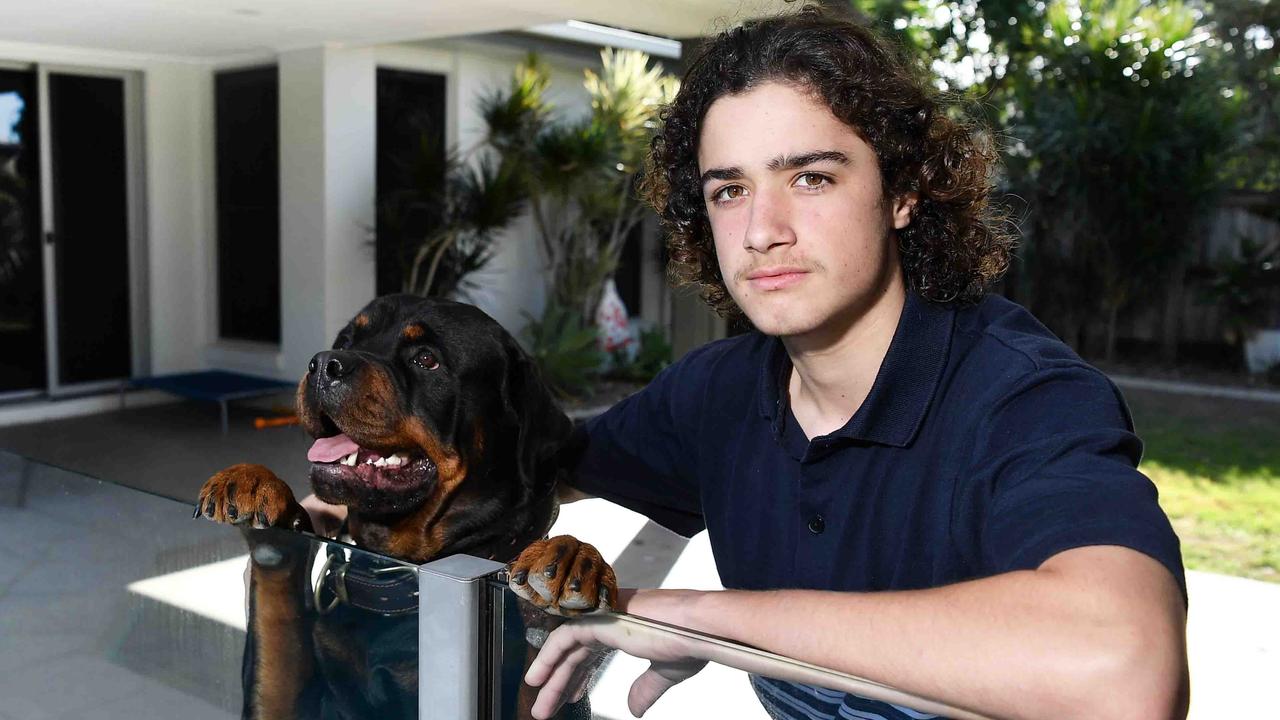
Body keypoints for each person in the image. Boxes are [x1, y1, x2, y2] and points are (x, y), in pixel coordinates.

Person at [519, 5, 1190, 720]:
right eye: (729, 190)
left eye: (810, 178)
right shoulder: (720, 393)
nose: (761, 232)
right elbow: (536, 465)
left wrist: (707, 617)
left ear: (902, 192)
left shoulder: (1022, 398)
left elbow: (1125, 672)